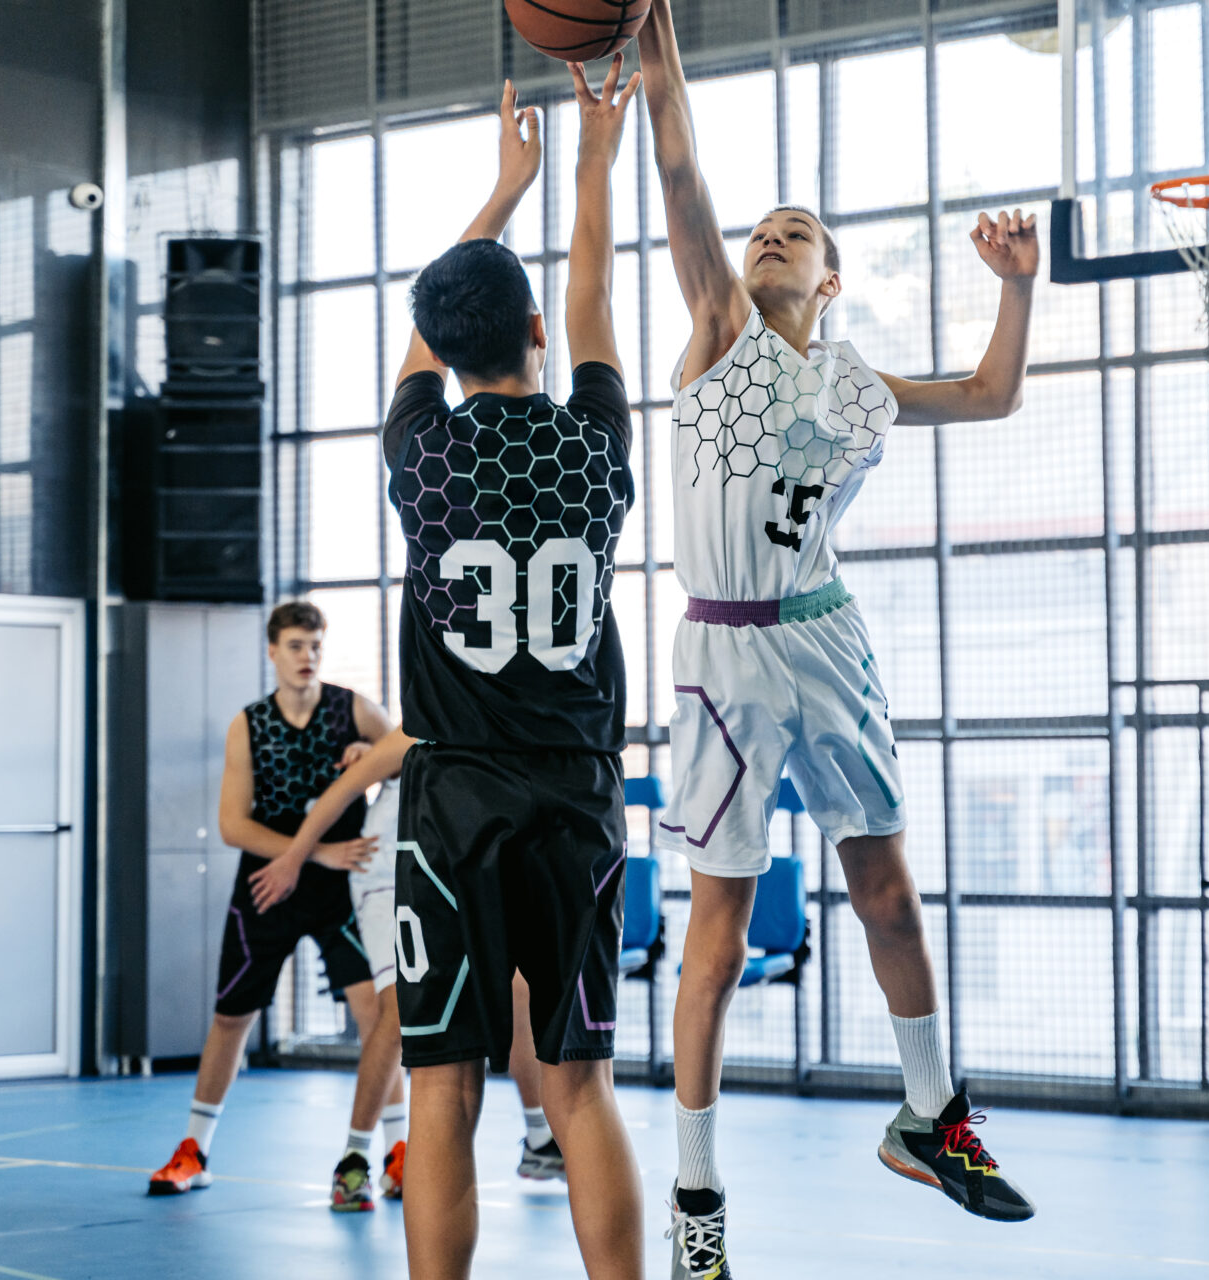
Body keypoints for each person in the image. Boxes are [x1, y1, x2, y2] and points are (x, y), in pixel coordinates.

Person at [636, 2, 1042, 1272]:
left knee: (888, 891)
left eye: (795, 234)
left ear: (832, 276)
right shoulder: (717, 327)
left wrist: (1019, 290)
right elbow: (681, 166)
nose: (769, 237)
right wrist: (654, 38)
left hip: (825, 634)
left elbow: (990, 393)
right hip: (721, 656)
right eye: (763, 229)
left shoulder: (858, 381)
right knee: (717, 929)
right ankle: (696, 1197)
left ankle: (930, 1113)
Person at [383, 64, 643, 1280]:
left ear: (439, 345)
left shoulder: (419, 454)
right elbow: (588, 289)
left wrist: (500, 190)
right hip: (578, 796)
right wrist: (591, 157)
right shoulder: (596, 447)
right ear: (535, 335)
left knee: (443, 1090)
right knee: (581, 1084)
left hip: (454, 802)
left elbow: (432, 338)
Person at [259, 730, 570, 1210]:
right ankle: (354, 1160)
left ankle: (539, 1141)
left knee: (519, 989)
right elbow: (341, 791)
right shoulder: (413, 731)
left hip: (457, 874)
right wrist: (298, 857)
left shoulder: (498, 724)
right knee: (401, 1009)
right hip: (388, 874)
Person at [147, 600, 398, 1196]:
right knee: (232, 1017)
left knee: (378, 1019)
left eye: (315, 646)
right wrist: (311, 853)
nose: (307, 657)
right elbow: (233, 825)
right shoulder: (249, 724)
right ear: (271, 651)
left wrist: (373, 761)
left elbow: (416, 761)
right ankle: (194, 1150)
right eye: (294, 646)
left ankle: (396, 1153)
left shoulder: (354, 709)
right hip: (268, 887)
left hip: (344, 890)